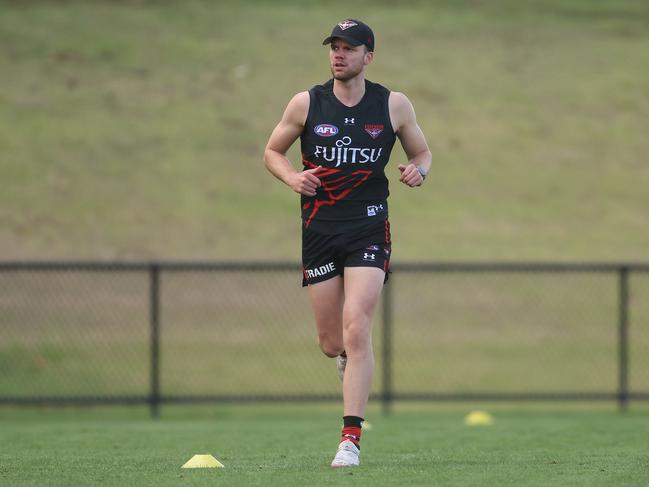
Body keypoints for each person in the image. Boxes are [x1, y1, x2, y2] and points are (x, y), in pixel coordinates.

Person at [263, 19, 431, 468]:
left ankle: (350, 440)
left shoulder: (392, 105)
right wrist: (292, 177)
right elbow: (271, 152)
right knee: (330, 340)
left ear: (368, 56)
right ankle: (343, 358)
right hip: (319, 230)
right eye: (334, 47)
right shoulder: (306, 103)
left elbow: (422, 152)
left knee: (358, 327)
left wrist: (420, 170)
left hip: (369, 228)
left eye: (349, 48)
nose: (339, 55)